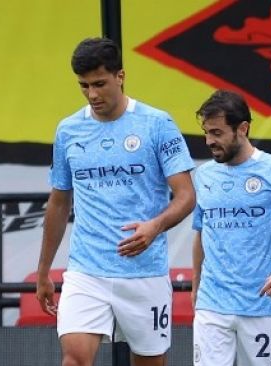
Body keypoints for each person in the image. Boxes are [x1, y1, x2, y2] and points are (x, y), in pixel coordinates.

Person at [36, 37, 196, 366]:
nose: (92, 94)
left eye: (99, 83)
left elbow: (186, 195)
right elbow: (58, 203)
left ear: (120, 76)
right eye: (83, 86)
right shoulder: (68, 130)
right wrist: (43, 271)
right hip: (86, 270)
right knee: (75, 359)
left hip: (144, 272)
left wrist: (154, 227)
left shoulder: (157, 124)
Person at [191, 90, 271, 366]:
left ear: (243, 129)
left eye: (217, 132)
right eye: (206, 133)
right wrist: (195, 288)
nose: (209, 141)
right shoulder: (203, 175)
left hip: (262, 304)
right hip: (212, 304)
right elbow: (201, 233)